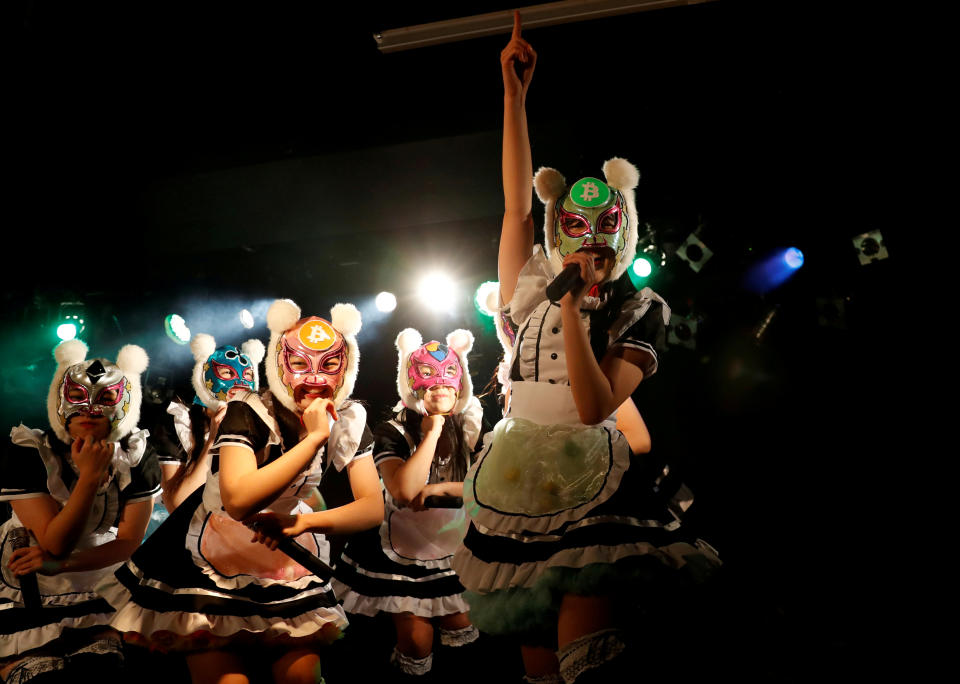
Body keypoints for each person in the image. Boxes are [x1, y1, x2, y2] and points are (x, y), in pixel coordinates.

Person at [451, 14, 720, 683]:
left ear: (624, 232)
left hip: (590, 477)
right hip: (517, 478)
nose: (589, 238)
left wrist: (574, 305)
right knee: (539, 668)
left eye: (605, 226)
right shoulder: (529, 285)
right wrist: (514, 98)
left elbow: (598, 405)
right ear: (558, 230)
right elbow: (515, 207)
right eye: (573, 225)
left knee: (587, 663)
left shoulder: (636, 305)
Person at [98, 299, 383, 684]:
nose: (315, 378)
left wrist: (304, 523)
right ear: (280, 364)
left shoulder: (348, 417)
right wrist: (314, 437)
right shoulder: (246, 409)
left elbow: (371, 508)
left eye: (329, 365)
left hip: (285, 563)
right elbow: (238, 501)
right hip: (215, 561)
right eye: (300, 364)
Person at [0, 340, 159, 684]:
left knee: (102, 669)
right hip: (30, 580)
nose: (88, 412)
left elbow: (130, 541)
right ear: (60, 401)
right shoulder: (31, 452)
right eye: (78, 399)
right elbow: (55, 543)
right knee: (40, 676)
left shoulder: (136, 456)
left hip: (99, 572)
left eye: (104, 400)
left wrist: (64, 564)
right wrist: (89, 477)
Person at [330, 328, 483, 679]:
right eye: (431, 382)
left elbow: (487, 485)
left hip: (450, 545)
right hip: (403, 550)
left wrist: (440, 491)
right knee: (416, 640)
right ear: (414, 385)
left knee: (464, 633)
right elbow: (403, 490)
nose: (441, 388)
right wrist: (432, 433)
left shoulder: (470, 426)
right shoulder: (392, 430)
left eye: (448, 382)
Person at [158, 334, 265, 513]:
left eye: (247, 375)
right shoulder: (178, 421)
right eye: (228, 373)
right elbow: (177, 505)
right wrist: (213, 437)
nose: (240, 382)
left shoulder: (259, 426)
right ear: (205, 377)